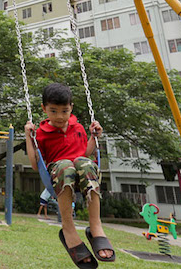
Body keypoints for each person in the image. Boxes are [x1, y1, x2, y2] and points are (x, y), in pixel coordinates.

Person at [25, 83, 114, 268]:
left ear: (71, 107)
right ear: (44, 109)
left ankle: (95, 225)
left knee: (85, 163)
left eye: (64, 111)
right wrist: (28, 137)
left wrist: (93, 137)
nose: (59, 116)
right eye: (53, 110)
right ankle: (68, 228)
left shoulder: (78, 127)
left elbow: (86, 153)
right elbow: (35, 165)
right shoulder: (41, 133)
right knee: (66, 165)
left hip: (81, 174)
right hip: (59, 175)